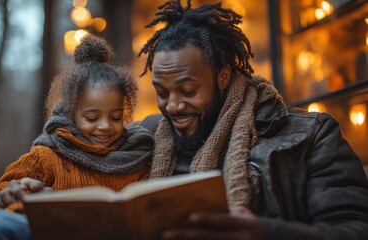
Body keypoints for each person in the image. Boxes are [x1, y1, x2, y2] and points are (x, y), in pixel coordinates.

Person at [137, 0, 368, 239]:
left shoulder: (312, 135)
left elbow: (357, 230)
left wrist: (266, 232)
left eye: (188, 90)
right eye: (162, 93)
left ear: (223, 77)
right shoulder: (146, 136)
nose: (173, 106)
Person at [0, 34, 154, 240]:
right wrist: (15, 192)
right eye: (92, 118)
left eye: (116, 117)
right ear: (73, 115)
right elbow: (2, 192)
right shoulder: (48, 156)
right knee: (5, 224)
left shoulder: (136, 157)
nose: (105, 126)